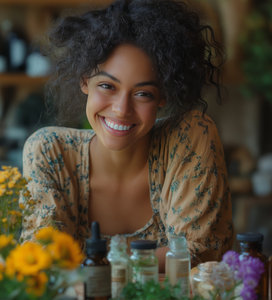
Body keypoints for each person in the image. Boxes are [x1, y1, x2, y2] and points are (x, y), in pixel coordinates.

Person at [20, 0, 233, 270]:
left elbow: (200, 252)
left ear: (163, 96)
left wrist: (94, 264)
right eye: (107, 86)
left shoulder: (189, 138)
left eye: (143, 93)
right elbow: (41, 261)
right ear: (85, 80)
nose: (121, 110)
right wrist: (158, 258)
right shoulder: (50, 151)